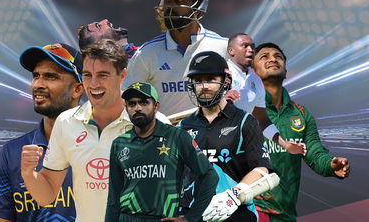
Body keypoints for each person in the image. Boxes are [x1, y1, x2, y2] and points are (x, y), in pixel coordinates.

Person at [20, 39, 169, 222]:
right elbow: (47, 195)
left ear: (122, 76)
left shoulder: (157, 124)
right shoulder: (66, 122)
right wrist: (29, 173)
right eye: (87, 75)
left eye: (103, 75)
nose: (93, 84)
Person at [0, 43, 84, 221]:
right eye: (36, 75)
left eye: (51, 77)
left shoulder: (105, 143)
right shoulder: (12, 152)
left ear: (77, 89)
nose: (38, 84)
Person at [251, 42, 351, 222]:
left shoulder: (301, 114)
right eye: (264, 56)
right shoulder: (243, 110)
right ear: (252, 72)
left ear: (286, 71)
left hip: (285, 213)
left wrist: (330, 165)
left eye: (278, 56)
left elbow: (313, 152)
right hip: (251, 211)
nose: (273, 59)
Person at [179, 51, 279, 222]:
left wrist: (234, 196)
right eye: (198, 80)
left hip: (236, 214)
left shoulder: (245, 122)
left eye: (210, 79)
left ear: (225, 81)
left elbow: (262, 169)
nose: (204, 86)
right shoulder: (183, 126)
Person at [105, 82, 218, 222]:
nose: (137, 108)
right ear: (126, 108)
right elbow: (113, 198)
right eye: (132, 104)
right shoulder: (119, 143)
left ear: (156, 106)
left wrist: (191, 217)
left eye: (144, 102)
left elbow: (210, 175)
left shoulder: (176, 136)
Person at [125, 0, 229, 115]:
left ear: (199, 7)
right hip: (166, 136)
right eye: (167, 1)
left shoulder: (222, 48)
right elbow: (129, 100)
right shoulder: (146, 53)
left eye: (179, 1)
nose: (170, 8)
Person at [226, 33, 306, 155]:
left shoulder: (256, 81)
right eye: (245, 46)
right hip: (214, 144)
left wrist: (285, 145)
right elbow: (201, 105)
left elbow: (262, 120)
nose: (250, 50)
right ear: (231, 51)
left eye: (252, 47)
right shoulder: (219, 71)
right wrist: (221, 99)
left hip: (240, 146)